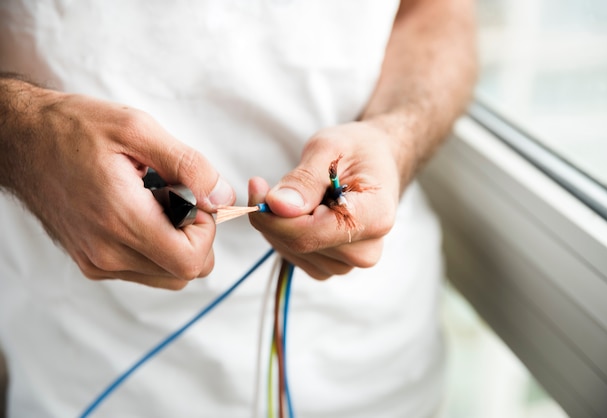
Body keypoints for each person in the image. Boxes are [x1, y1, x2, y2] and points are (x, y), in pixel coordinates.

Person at [0, 0, 476, 417]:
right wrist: (24, 135)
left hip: (372, 374)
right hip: (81, 364)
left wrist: (393, 139)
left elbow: (437, 11)